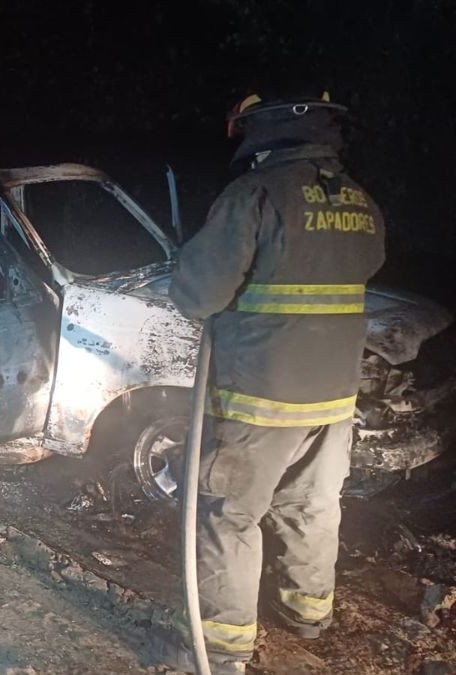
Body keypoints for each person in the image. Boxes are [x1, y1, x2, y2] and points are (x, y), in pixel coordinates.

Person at [158, 85, 386, 673]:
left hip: (259, 394)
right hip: (334, 396)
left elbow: (197, 293)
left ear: (265, 130)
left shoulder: (254, 193)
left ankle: (219, 651)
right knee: (311, 506)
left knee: (227, 514)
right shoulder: (358, 199)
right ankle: (309, 615)